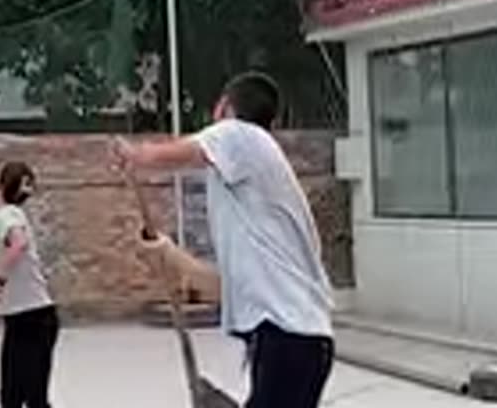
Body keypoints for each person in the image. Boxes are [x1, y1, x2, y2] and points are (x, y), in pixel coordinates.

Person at [112, 71, 334, 408]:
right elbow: (226, 287)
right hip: (291, 342)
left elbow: (171, 155)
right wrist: (170, 254)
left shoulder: (242, 135)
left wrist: (136, 156)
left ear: (223, 108)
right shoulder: (254, 198)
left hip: (288, 340)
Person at [0, 161, 59, 408]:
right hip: (29, 318)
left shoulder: (7, 215)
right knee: (21, 398)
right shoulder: (16, 215)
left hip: (32, 319)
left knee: (23, 399)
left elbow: (19, 244)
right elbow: (15, 274)